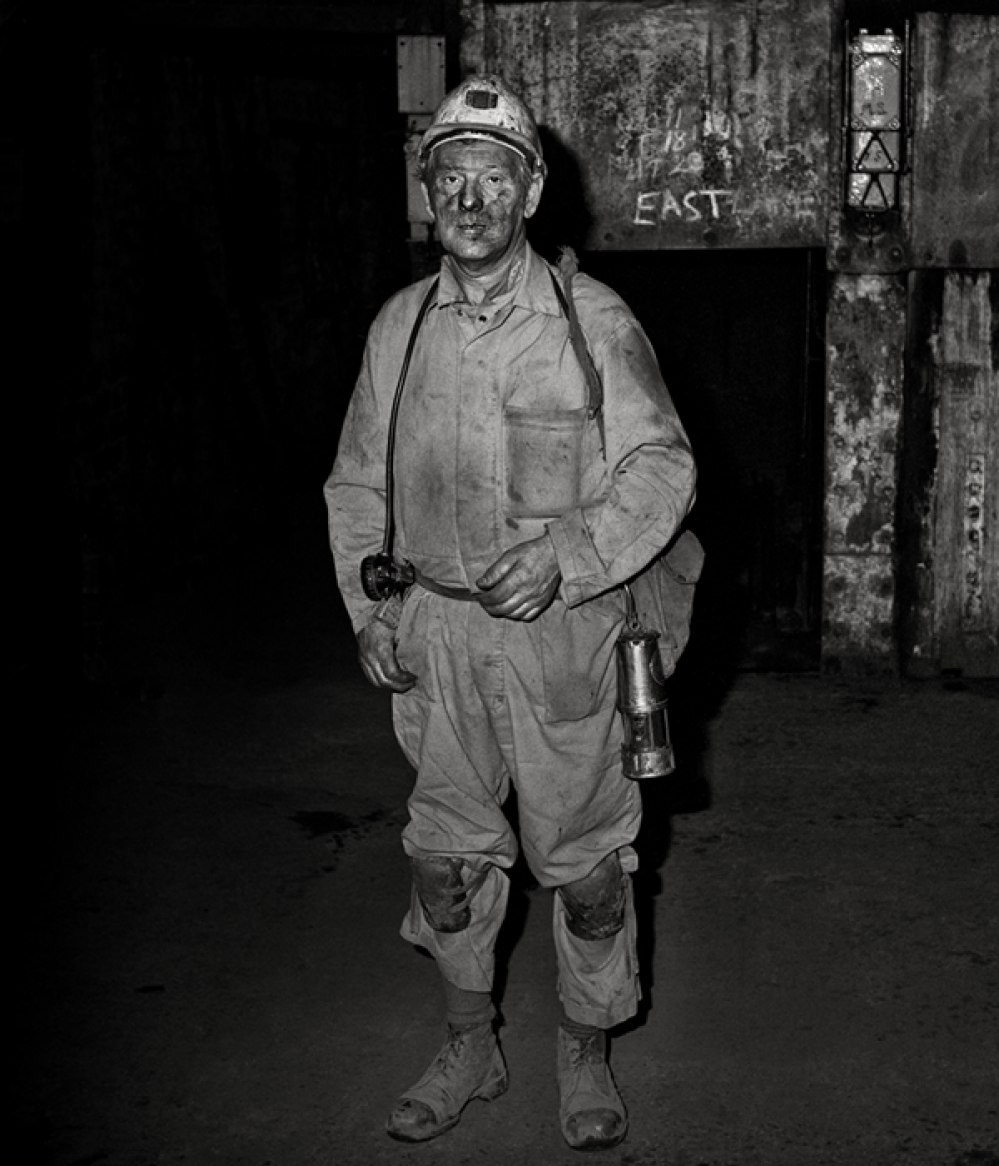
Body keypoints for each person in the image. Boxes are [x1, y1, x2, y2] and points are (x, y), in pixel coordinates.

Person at [324, 75, 696, 1152]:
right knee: (445, 861)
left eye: (495, 176)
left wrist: (570, 556)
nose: (472, 197)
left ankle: (585, 1043)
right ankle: (470, 1039)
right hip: (436, 641)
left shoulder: (594, 322)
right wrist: (367, 605)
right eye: (453, 176)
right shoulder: (397, 331)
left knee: (583, 871)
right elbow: (354, 488)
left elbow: (664, 467)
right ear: (428, 188)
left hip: (566, 643)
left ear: (531, 191)